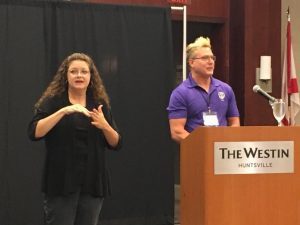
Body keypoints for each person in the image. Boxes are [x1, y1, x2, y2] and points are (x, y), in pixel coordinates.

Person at [28, 53, 122, 225]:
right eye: (73, 71)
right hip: (61, 182)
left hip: (92, 182)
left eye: (84, 72)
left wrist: (105, 125)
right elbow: (34, 132)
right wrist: (64, 111)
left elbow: (116, 143)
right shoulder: (54, 101)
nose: (79, 75)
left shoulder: (98, 103)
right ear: (66, 76)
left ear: (91, 76)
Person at [167, 37, 240, 143]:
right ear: (191, 63)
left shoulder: (225, 89)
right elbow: (177, 132)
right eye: (205, 58)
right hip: (196, 153)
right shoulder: (180, 93)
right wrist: (204, 146)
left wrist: (226, 143)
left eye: (212, 58)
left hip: (222, 152)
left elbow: (234, 122)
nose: (210, 62)